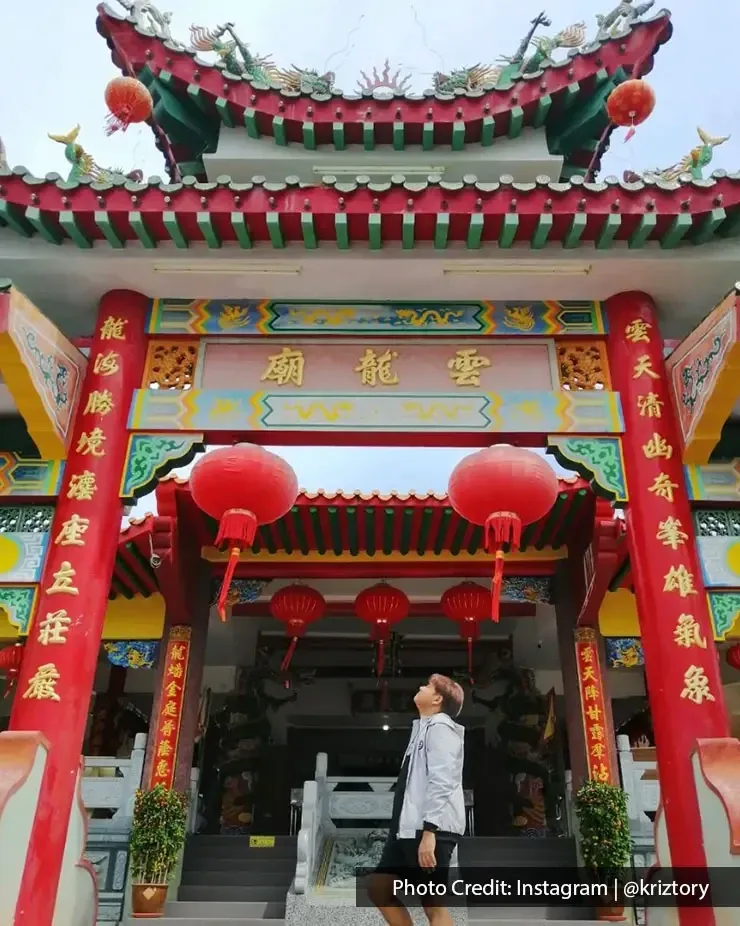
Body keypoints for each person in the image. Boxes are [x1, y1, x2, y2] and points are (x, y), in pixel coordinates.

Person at [368, 674, 465, 926]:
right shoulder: (423, 728)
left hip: (431, 829)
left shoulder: (441, 729)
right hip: (406, 829)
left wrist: (430, 831)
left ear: (437, 698)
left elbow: (443, 780)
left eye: (427, 686)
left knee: (432, 902)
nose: (420, 686)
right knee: (379, 890)